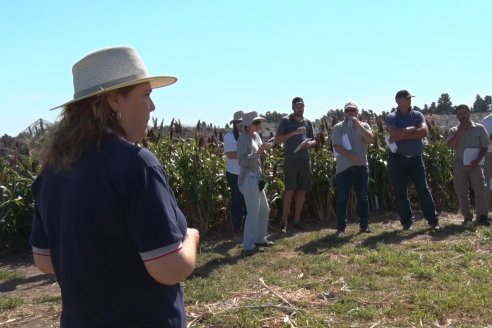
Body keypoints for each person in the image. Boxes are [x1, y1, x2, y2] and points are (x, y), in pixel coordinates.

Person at [29, 47, 200, 327]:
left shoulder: (53, 169)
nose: (152, 107)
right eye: (145, 95)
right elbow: (170, 269)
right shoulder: (136, 164)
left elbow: (44, 260)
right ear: (113, 101)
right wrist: (191, 238)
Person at [385, 90, 440, 231]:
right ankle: (406, 223)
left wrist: (403, 133)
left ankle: (433, 220)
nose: (410, 100)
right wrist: (412, 130)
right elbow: (394, 135)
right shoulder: (391, 117)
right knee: (401, 192)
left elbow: (424, 132)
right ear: (398, 100)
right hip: (398, 160)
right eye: (407, 98)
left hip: (416, 159)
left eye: (410, 98)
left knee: (423, 189)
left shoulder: (417, 114)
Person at [332, 102, 374, 235]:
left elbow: (370, 139)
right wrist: (351, 155)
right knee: (342, 198)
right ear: (344, 113)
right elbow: (336, 146)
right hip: (344, 169)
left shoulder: (364, 126)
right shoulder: (338, 127)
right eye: (348, 111)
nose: (350, 113)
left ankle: (364, 225)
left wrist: (358, 125)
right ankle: (341, 228)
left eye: (353, 110)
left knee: (363, 197)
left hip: (361, 167)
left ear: (357, 112)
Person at [275, 97, 316, 233]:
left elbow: (314, 141)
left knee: (302, 190)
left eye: (302, 106)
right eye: (298, 106)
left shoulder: (308, 122)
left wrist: (309, 144)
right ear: (293, 108)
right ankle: (284, 222)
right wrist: (294, 133)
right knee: (289, 190)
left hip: (304, 159)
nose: (300, 108)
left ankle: (297, 221)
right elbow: (278, 139)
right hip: (291, 160)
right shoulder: (286, 121)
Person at [447, 104, 490, 226]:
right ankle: (467, 217)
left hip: (476, 165)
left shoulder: (480, 128)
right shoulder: (453, 130)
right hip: (460, 164)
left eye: (465, 113)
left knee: (480, 190)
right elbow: (450, 145)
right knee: (462, 191)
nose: (463, 116)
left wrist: (478, 160)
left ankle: (482, 216)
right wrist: (460, 131)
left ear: (469, 113)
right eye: (460, 114)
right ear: (457, 116)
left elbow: (484, 146)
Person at [237, 111, 273, 255]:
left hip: (257, 177)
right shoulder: (243, 140)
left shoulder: (256, 136)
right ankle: (248, 245)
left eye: (259, 122)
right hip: (248, 178)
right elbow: (242, 162)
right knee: (253, 212)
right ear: (247, 126)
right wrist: (257, 153)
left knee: (264, 209)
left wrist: (261, 152)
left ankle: (259, 238)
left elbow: (256, 155)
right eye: (256, 123)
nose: (259, 125)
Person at [223, 111, 263, 240]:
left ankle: (250, 231)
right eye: (238, 123)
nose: (240, 125)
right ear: (235, 124)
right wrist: (250, 154)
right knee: (237, 202)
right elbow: (231, 155)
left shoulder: (254, 136)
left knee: (250, 204)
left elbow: (259, 151)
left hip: (252, 173)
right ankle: (237, 230)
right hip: (235, 174)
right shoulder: (230, 137)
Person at [480, 113, 492, 192]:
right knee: (487, 179)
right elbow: (480, 138)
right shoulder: (485, 121)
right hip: (489, 153)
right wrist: (490, 137)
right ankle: (487, 203)